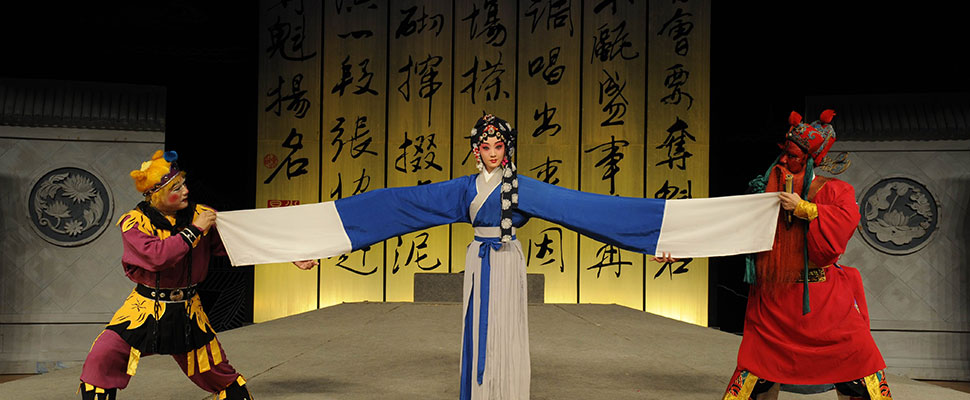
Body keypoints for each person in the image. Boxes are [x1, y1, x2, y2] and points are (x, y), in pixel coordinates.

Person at [216, 113, 782, 399]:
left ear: (508, 149)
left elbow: (596, 211)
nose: (492, 150)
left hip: (506, 262)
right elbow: (390, 210)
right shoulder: (463, 189)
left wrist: (662, 240)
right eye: (485, 144)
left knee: (507, 331)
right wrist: (322, 242)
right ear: (474, 149)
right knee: (472, 332)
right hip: (478, 261)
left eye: (499, 144)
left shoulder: (524, 188)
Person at [78, 150, 315, 400]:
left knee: (219, 374)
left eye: (183, 184)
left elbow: (240, 243)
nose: (185, 191)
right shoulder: (135, 223)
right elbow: (158, 256)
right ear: (156, 195)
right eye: (176, 188)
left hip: (188, 312)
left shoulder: (199, 214)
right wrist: (194, 230)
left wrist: (290, 255)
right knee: (101, 359)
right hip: (142, 309)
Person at [717, 111, 892, 400]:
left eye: (793, 156)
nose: (784, 161)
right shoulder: (766, 189)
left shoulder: (835, 190)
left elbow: (845, 222)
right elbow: (732, 228)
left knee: (860, 367)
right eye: (784, 153)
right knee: (756, 376)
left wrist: (805, 208)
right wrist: (682, 249)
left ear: (810, 159)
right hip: (775, 299)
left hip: (825, 300)